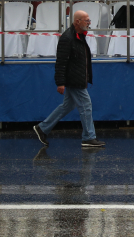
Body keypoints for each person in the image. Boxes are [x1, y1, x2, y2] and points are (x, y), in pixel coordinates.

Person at [34, 10, 105, 148]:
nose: (89, 23)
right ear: (77, 21)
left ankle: (42, 128)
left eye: (89, 20)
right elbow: (61, 62)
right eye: (87, 20)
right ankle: (88, 137)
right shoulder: (68, 38)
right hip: (74, 79)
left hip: (76, 78)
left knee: (67, 106)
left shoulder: (78, 36)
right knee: (86, 106)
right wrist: (60, 82)